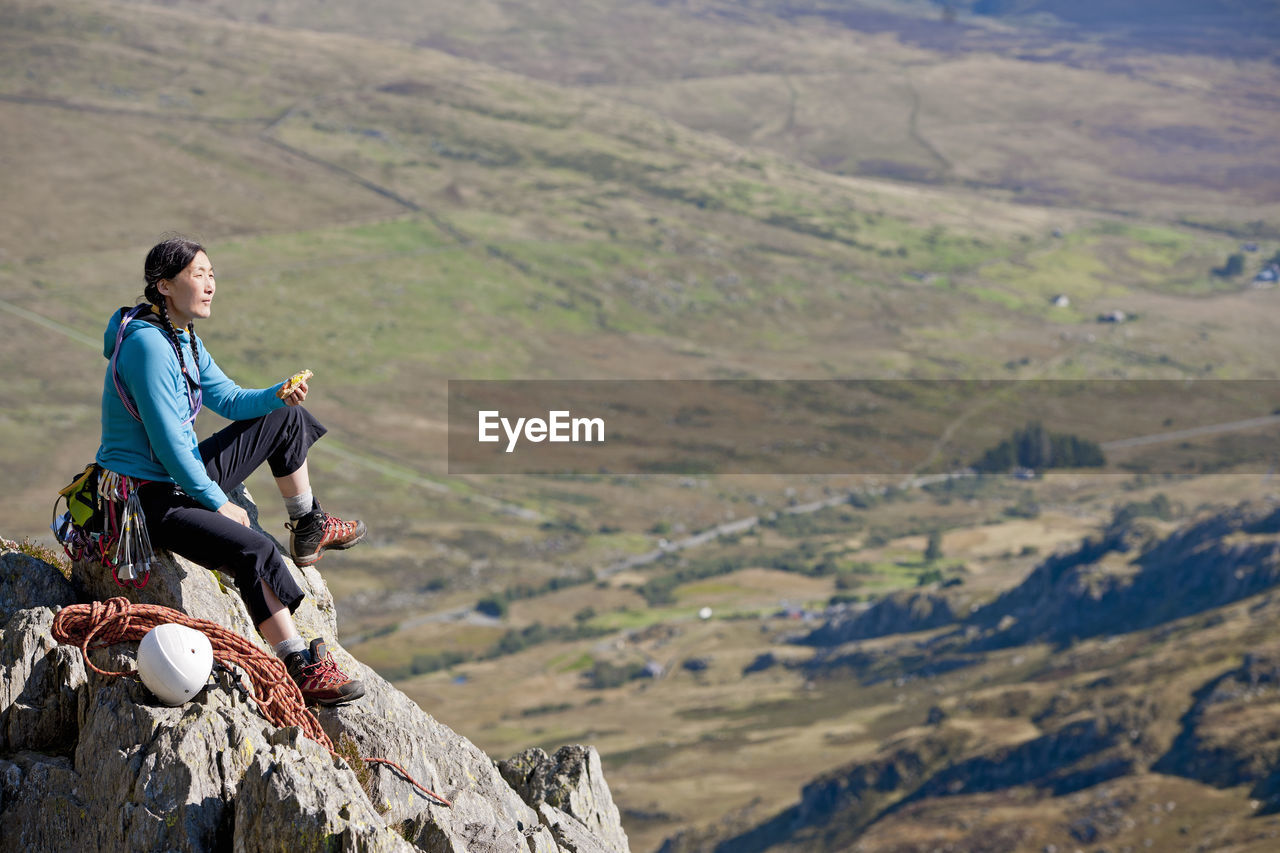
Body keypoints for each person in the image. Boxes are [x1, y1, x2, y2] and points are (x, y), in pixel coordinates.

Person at [95, 235, 367, 705]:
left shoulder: (179, 337)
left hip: (174, 477)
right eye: (197, 275)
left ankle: (307, 525)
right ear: (163, 285)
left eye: (212, 274)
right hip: (143, 498)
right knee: (254, 549)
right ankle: (300, 663)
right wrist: (216, 501)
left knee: (285, 416)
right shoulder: (149, 347)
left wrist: (277, 395)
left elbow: (230, 399)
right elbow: (168, 444)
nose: (210, 284)